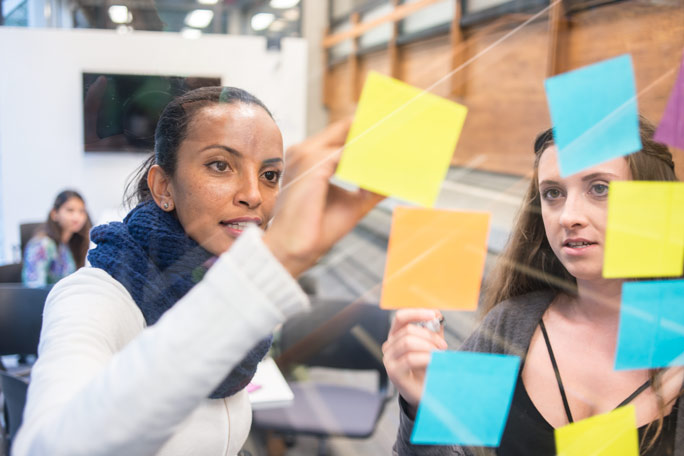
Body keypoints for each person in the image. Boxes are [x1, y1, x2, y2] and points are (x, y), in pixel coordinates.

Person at [13, 86, 381, 456]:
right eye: (220, 165)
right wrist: (272, 265)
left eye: (270, 175)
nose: (253, 194)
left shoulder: (223, 285)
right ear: (163, 186)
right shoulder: (93, 297)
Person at [383, 119, 683, 455]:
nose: (568, 216)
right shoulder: (511, 325)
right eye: (552, 193)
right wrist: (420, 408)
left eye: (600, 188)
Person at [22, 190, 92, 288]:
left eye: (81, 211)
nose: (77, 217)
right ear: (54, 214)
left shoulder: (69, 244)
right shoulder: (42, 244)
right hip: (46, 301)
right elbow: (33, 287)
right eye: (70, 210)